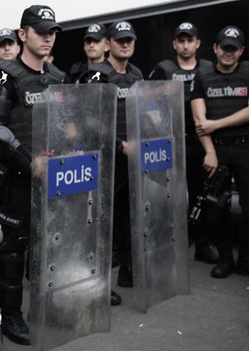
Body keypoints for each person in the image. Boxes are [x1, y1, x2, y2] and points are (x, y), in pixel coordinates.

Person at [0, 5, 65, 345]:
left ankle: (46, 305)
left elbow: (63, 121)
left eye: (52, 32)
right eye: (40, 31)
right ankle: (11, 315)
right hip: (16, 177)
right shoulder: (5, 75)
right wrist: (30, 161)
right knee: (13, 250)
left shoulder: (57, 76)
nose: (47, 37)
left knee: (49, 245)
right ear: (23, 34)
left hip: (54, 175)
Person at [85, 20, 144, 306]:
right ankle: (99, 283)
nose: (125, 44)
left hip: (133, 159)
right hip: (106, 160)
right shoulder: (97, 75)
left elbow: (145, 111)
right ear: (108, 44)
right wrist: (120, 145)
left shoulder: (136, 74)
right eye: (120, 40)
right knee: (102, 223)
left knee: (130, 216)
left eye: (129, 40)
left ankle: (129, 271)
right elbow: (88, 120)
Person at [148, 22, 218, 264]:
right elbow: (147, 100)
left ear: (198, 43)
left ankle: (202, 244)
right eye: (181, 40)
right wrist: (156, 121)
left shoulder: (208, 68)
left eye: (190, 40)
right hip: (171, 143)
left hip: (201, 143)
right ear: (175, 44)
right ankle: (169, 244)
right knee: (169, 196)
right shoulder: (163, 69)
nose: (186, 45)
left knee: (201, 196)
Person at [190, 25, 249, 279]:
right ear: (215, 48)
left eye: (233, 49)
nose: (228, 53)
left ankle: (245, 260)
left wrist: (217, 124)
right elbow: (198, 119)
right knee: (218, 208)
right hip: (217, 150)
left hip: (245, 147)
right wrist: (210, 152)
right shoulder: (203, 76)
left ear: (241, 51)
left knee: (248, 208)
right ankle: (226, 259)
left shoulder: (248, 72)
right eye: (224, 47)